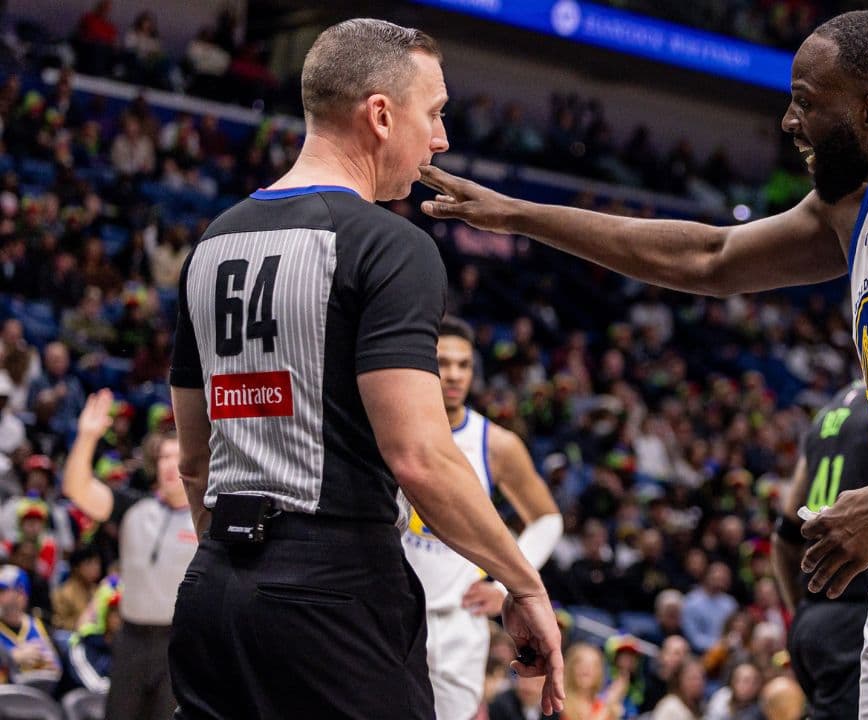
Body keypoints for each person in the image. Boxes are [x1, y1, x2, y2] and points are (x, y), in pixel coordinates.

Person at [421, 10, 868, 718]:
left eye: (806, 102)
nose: (789, 122)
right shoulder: (858, 211)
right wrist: (520, 216)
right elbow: (708, 257)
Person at [166, 18, 563, 719]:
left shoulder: (213, 241)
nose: (440, 139)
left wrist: (242, 576)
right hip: (335, 593)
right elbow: (418, 457)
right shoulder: (391, 246)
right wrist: (523, 584)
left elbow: (196, 460)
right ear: (381, 115)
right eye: (434, 113)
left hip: (212, 588)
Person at [402, 315, 564, 720]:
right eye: (443, 362)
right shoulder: (394, 427)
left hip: (460, 618)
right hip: (394, 607)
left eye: (464, 364)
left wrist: (502, 583)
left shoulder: (495, 443)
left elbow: (547, 518)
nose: (454, 374)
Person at [62, 389, 196, 720]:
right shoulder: (135, 508)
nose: (168, 466)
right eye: (162, 457)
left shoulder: (206, 516)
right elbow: (76, 489)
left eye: (175, 457)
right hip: (131, 639)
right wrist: (87, 436)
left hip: (179, 644)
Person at [772, 381, 868, 718]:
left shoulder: (824, 416)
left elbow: (784, 538)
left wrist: (799, 612)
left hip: (812, 620)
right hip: (857, 617)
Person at [0, 564, 60, 692]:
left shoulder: (39, 624)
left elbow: (55, 669)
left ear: (21, 594)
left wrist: (41, 663)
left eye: (2, 591)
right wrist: (15, 658)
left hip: (37, 698)